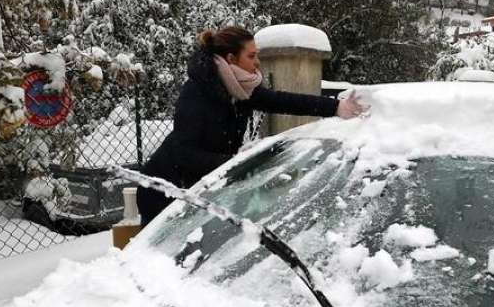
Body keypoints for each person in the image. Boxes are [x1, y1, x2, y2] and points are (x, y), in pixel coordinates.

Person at [137, 25, 365, 225]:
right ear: (230, 58)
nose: (257, 62)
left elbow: (282, 101)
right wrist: (235, 164)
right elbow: (183, 152)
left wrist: (336, 107)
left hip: (201, 185)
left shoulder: (240, 87)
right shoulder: (198, 91)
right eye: (252, 56)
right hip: (164, 190)